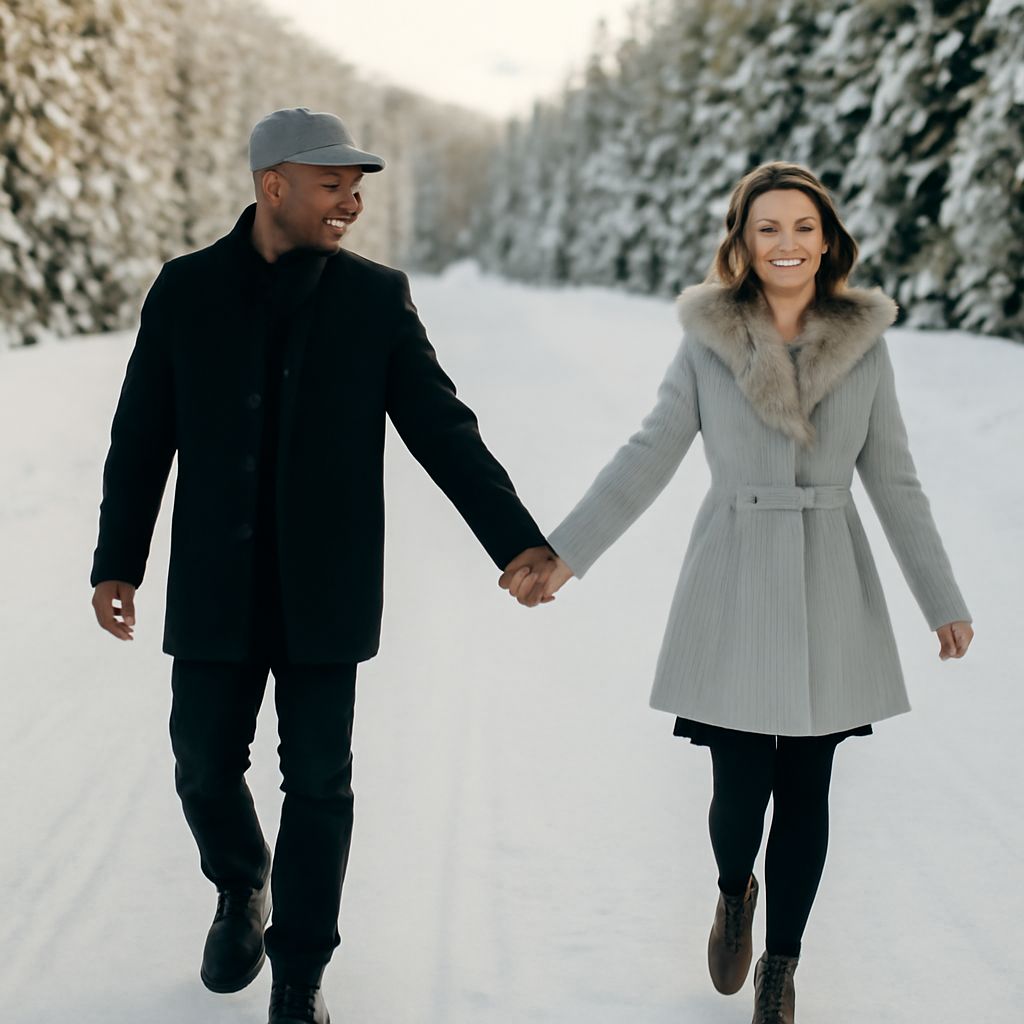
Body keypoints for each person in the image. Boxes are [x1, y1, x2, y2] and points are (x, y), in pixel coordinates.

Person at [90, 107, 554, 1024]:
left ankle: (300, 979)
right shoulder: (183, 291)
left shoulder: (375, 300)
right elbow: (142, 433)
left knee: (319, 780)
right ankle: (240, 884)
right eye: (332, 184)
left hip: (326, 594)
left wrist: (518, 540)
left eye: (358, 187)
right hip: (216, 592)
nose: (351, 202)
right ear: (274, 185)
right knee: (202, 770)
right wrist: (118, 560)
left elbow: (441, 430)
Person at [500, 161, 974, 1023]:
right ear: (743, 244)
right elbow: (649, 452)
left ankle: (781, 968)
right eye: (768, 228)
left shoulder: (866, 345)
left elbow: (895, 480)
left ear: (827, 240)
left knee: (808, 787)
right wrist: (563, 554)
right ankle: (734, 890)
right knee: (739, 786)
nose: (786, 243)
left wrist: (940, 598)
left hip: (830, 573)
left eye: (802, 227)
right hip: (736, 571)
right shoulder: (709, 341)